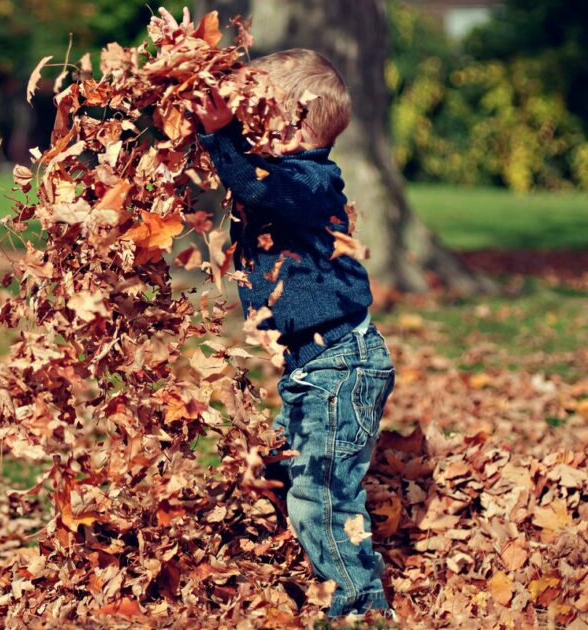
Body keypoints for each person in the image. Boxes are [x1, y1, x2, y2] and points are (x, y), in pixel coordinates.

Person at [192, 48, 396, 618]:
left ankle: (360, 606)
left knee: (323, 498)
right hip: (314, 367)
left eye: (255, 117)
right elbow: (249, 182)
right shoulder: (285, 177)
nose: (245, 128)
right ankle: (301, 563)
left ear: (291, 121)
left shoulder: (310, 181)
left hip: (340, 367)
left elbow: (258, 188)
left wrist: (220, 137)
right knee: (281, 468)